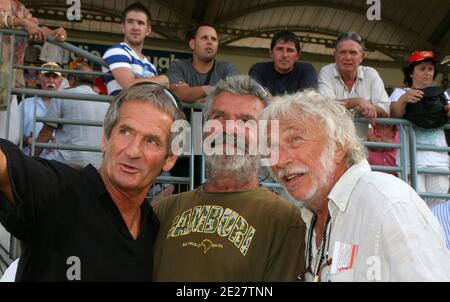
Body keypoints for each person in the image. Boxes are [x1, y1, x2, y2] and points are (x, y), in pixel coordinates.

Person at [0, 83, 185, 281]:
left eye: (151, 141)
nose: (133, 151)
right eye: (125, 132)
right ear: (105, 139)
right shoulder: (60, 190)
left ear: (169, 159)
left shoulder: (155, 231)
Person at [263, 90, 450, 281]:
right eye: (272, 146)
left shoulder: (388, 202)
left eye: (295, 140)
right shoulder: (312, 217)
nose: (279, 159)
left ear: (337, 145)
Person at [152, 76, 306, 282]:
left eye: (245, 121)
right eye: (219, 117)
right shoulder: (163, 210)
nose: (229, 129)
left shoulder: (285, 220)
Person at [0, 0, 66, 144]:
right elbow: (23, 23)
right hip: (4, 78)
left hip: (8, 80)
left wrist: (54, 33)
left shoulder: (19, 8)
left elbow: (35, 28)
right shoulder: (21, 15)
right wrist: (22, 22)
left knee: (10, 136)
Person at [390, 51, 450, 208]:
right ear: (411, 72)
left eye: (430, 69)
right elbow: (394, 115)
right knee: (415, 206)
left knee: (438, 205)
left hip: (440, 160)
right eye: (422, 68)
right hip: (410, 160)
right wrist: (404, 100)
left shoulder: (443, 95)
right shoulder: (400, 93)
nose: (427, 73)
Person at [34, 64, 109, 169]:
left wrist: (30, 159)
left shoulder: (62, 96)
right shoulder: (105, 103)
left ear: (72, 80)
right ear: (93, 83)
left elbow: (45, 135)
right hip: (97, 165)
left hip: (67, 163)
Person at [318, 31, 390, 139]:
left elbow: (386, 110)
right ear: (335, 55)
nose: (347, 57)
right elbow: (325, 105)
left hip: (361, 146)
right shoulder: (326, 72)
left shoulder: (371, 74)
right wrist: (358, 102)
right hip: (332, 144)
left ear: (361, 56)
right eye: (343, 52)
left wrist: (370, 108)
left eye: (353, 53)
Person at [102, 2, 168, 96]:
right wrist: (161, 80)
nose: (135, 27)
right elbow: (129, 85)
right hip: (123, 110)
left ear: (148, 30)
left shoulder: (151, 66)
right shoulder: (116, 51)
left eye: (140, 23)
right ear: (123, 27)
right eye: (130, 22)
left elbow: (154, 95)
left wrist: (156, 81)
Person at [167, 24, 240, 103]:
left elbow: (236, 94)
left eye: (214, 39)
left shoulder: (226, 68)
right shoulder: (178, 66)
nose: (210, 42)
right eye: (204, 38)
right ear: (192, 44)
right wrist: (208, 89)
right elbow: (177, 93)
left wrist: (193, 95)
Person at [249, 30, 317, 96]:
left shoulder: (306, 70)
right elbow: (255, 100)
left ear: (297, 55)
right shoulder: (259, 70)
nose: (284, 55)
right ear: (271, 53)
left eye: (290, 50)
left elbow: (307, 102)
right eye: (279, 49)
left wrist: (268, 99)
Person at [19, 62, 63, 158]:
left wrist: (59, 144)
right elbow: (13, 134)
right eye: (47, 76)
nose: (51, 81)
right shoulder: (25, 104)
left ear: (61, 80)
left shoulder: (66, 105)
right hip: (28, 160)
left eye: (55, 77)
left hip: (57, 163)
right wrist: (27, 140)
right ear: (39, 78)